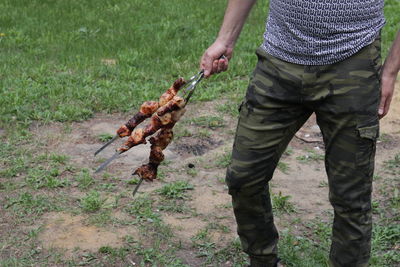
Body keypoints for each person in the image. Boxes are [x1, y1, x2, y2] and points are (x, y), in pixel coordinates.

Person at [199, 1, 400, 266]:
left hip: (353, 63)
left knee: (351, 197)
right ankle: (262, 260)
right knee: (244, 177)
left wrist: (390, 71)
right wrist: (224, 39)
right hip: (278, 62)